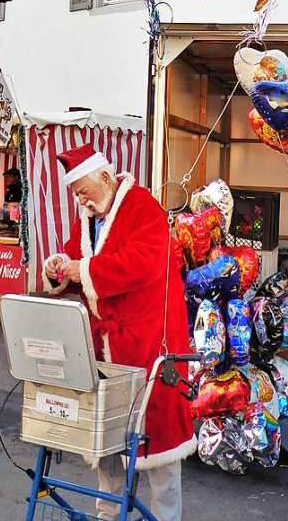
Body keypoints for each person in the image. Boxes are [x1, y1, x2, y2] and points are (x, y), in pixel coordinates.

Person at [44, 143, 194, 521]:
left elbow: (143, 263)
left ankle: (164, 518)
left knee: (159, 444)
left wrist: (85, 270)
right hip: (107, 346)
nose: (82, 201)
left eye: (84, 192)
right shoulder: (89, 215)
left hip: (151, 343)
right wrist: (58, 267)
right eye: (77, 194)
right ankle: (107, 515)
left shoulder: (145, 208)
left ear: (106, 178)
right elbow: (75, 259)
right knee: (107, 440)